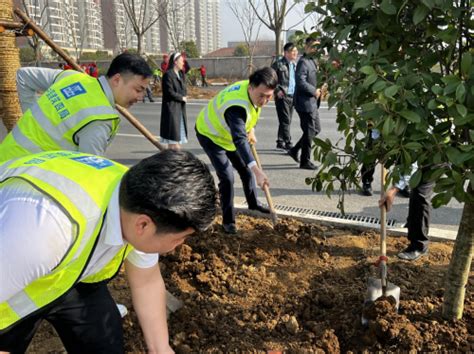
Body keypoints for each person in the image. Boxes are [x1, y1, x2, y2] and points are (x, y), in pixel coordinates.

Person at [0, 149, 218, 353]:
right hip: (12, 294)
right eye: (180, 238)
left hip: (71, 280)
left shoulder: (141, 199)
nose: (180, 246)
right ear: (143, 225)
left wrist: (160, 348)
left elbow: (147, 281)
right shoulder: (45, 230)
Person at [0, 52, 152, 163]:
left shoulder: (73, 78)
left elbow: (24, 76)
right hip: (24, 176)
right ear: (117, 79)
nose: (140, 97)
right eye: (138, 90)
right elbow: (88, 171)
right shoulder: (100, 119)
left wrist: (31, 115)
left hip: (7, 155)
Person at [195, 67, 277, 234]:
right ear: (251, 87)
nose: (264, 101)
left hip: (228, 135)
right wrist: (257, 171)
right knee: (227, 177)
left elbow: (252, 114)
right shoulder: (236, 106)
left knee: (245, 171)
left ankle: (253, 203)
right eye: (261, 96)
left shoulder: (254, 91)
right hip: (211, 135)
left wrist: (251, 128)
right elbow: (239, 140)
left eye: (269, 96)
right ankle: (228, 222)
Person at [379, 166, 434, 261]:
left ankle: (419, 247)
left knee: (420, 196)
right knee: (416, 193)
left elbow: (413, 164)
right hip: (420, 158)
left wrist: (394, 189)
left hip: (430, 157)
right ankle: (413, 229)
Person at [288, 37, 322, 170]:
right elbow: (300, 82)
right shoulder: (303, 62)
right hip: (304, 102)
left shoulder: (313, 61)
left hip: (312, 102)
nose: (316, 49)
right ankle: (305, 161)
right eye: (314, 47)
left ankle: (294, 150)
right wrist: (314, 91)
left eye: (318, 47)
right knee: (309, 132)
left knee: (316, 130)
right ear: (307, 47)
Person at [271, 42, 298, 152]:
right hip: (282, 95)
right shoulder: (278, 64)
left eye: (296, 51)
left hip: (292, 96)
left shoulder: (294, 64)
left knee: (286, 120)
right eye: (293, 51)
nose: (296, 53)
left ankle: (280, 141)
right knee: (285, 120)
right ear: (286, 53)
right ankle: (288, 143)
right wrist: (277, 90)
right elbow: (271, 79)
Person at [159, 52, 188, 150]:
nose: (183, 63)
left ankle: (173, 159)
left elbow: (188, 68)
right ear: (175, 62)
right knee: (173, 141)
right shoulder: (168, 75)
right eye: (181, 61)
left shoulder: (180, 74)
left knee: (177, 139)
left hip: (179, 109)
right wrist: (181, 98)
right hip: (171, 110)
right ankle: (175, 160)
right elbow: (169, 92)